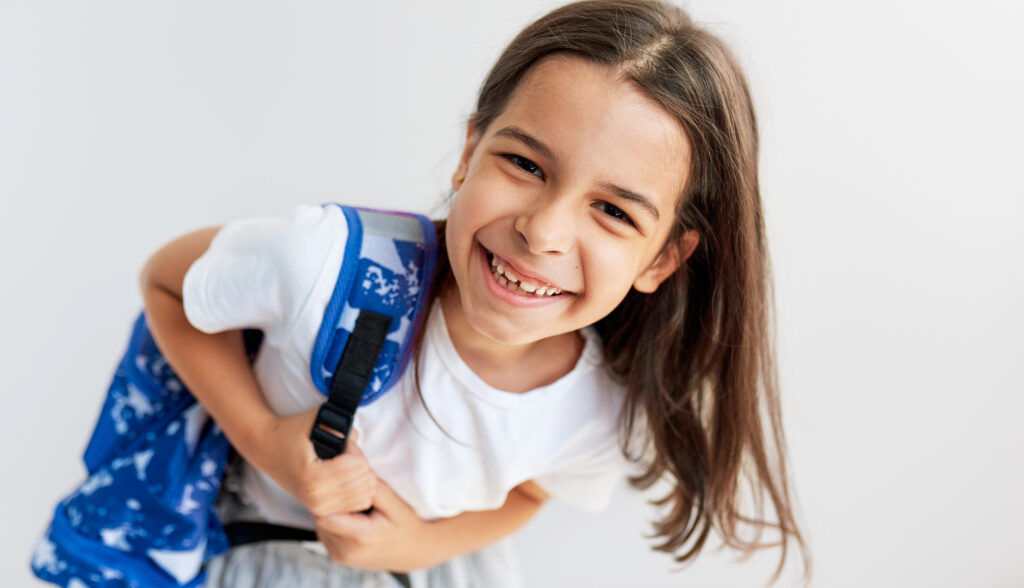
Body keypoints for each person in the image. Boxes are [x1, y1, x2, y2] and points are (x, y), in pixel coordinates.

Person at [139, 1, 808, 586]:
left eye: (613, 211)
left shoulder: (600, 410)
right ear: (470, 151)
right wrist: (263, 441)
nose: (543, 231)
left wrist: (423, 545)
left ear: (662, 258)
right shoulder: (321, 261)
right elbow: (167, 283)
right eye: (525, 164)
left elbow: (530, 493)